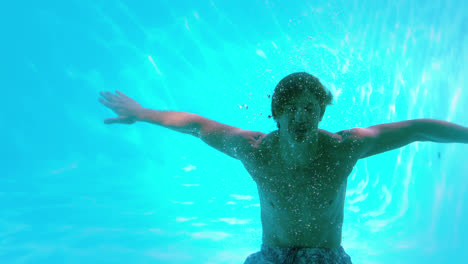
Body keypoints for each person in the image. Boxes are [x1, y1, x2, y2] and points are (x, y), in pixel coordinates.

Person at [98, 72, 468, 264]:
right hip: (271, 257)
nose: (300, 115)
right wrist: (142, 114)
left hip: (325, 258)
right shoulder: (255, 151)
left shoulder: (343, 148)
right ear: (275, 113)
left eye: (310, 107)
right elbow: (196, 125)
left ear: (322, 113)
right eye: (290, 107)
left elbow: (418, 129)